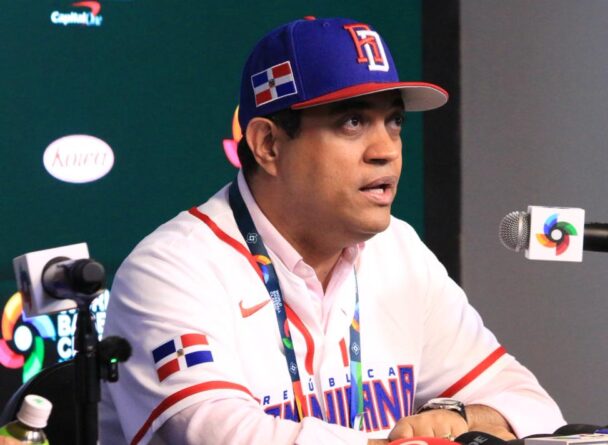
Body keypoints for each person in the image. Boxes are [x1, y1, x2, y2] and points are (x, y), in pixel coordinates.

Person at [99, 16, 565, 445]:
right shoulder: (170, 268)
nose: (386, 150)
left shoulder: (398, 248)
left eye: (394, 122)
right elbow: (216, 435)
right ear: (268, 144)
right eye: (352, 122)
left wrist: (464, 418)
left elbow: (532, 406)